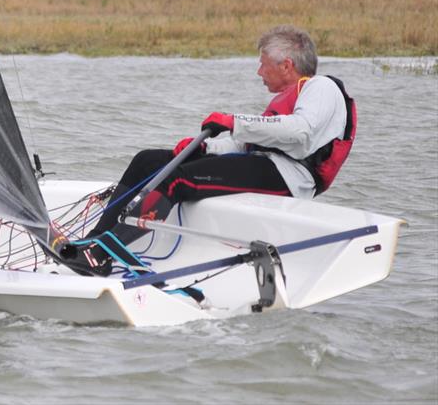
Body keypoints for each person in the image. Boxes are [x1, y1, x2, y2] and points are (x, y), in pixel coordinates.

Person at [65, 25, 356, 277]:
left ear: (287, 65)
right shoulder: (288, 99)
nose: (259, 71)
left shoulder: (322, 88)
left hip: (288, 177)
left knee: (177, 180)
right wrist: (202, 147)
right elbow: (246, 144)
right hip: (261, 162)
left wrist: (234, 121)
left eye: (263, 63)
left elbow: (301, 132)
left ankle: (103, 255)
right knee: (148, 161)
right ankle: (93, 241)